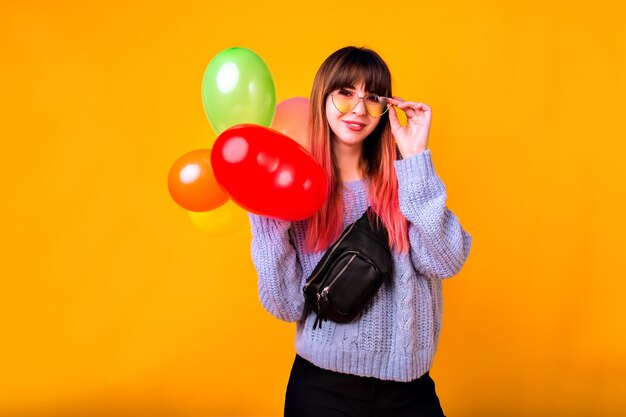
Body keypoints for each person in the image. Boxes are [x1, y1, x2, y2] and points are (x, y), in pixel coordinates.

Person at [247, 46, 472, 417]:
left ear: (385, 109)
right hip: (323, 389)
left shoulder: (408, 180)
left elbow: (447, 260)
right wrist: (266, 217)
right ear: (322, 97)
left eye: (372, 98)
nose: (358, 109)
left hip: (409, 390)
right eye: (345, 93)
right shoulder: (296, 191)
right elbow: (286, 306)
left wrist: (416, 158)